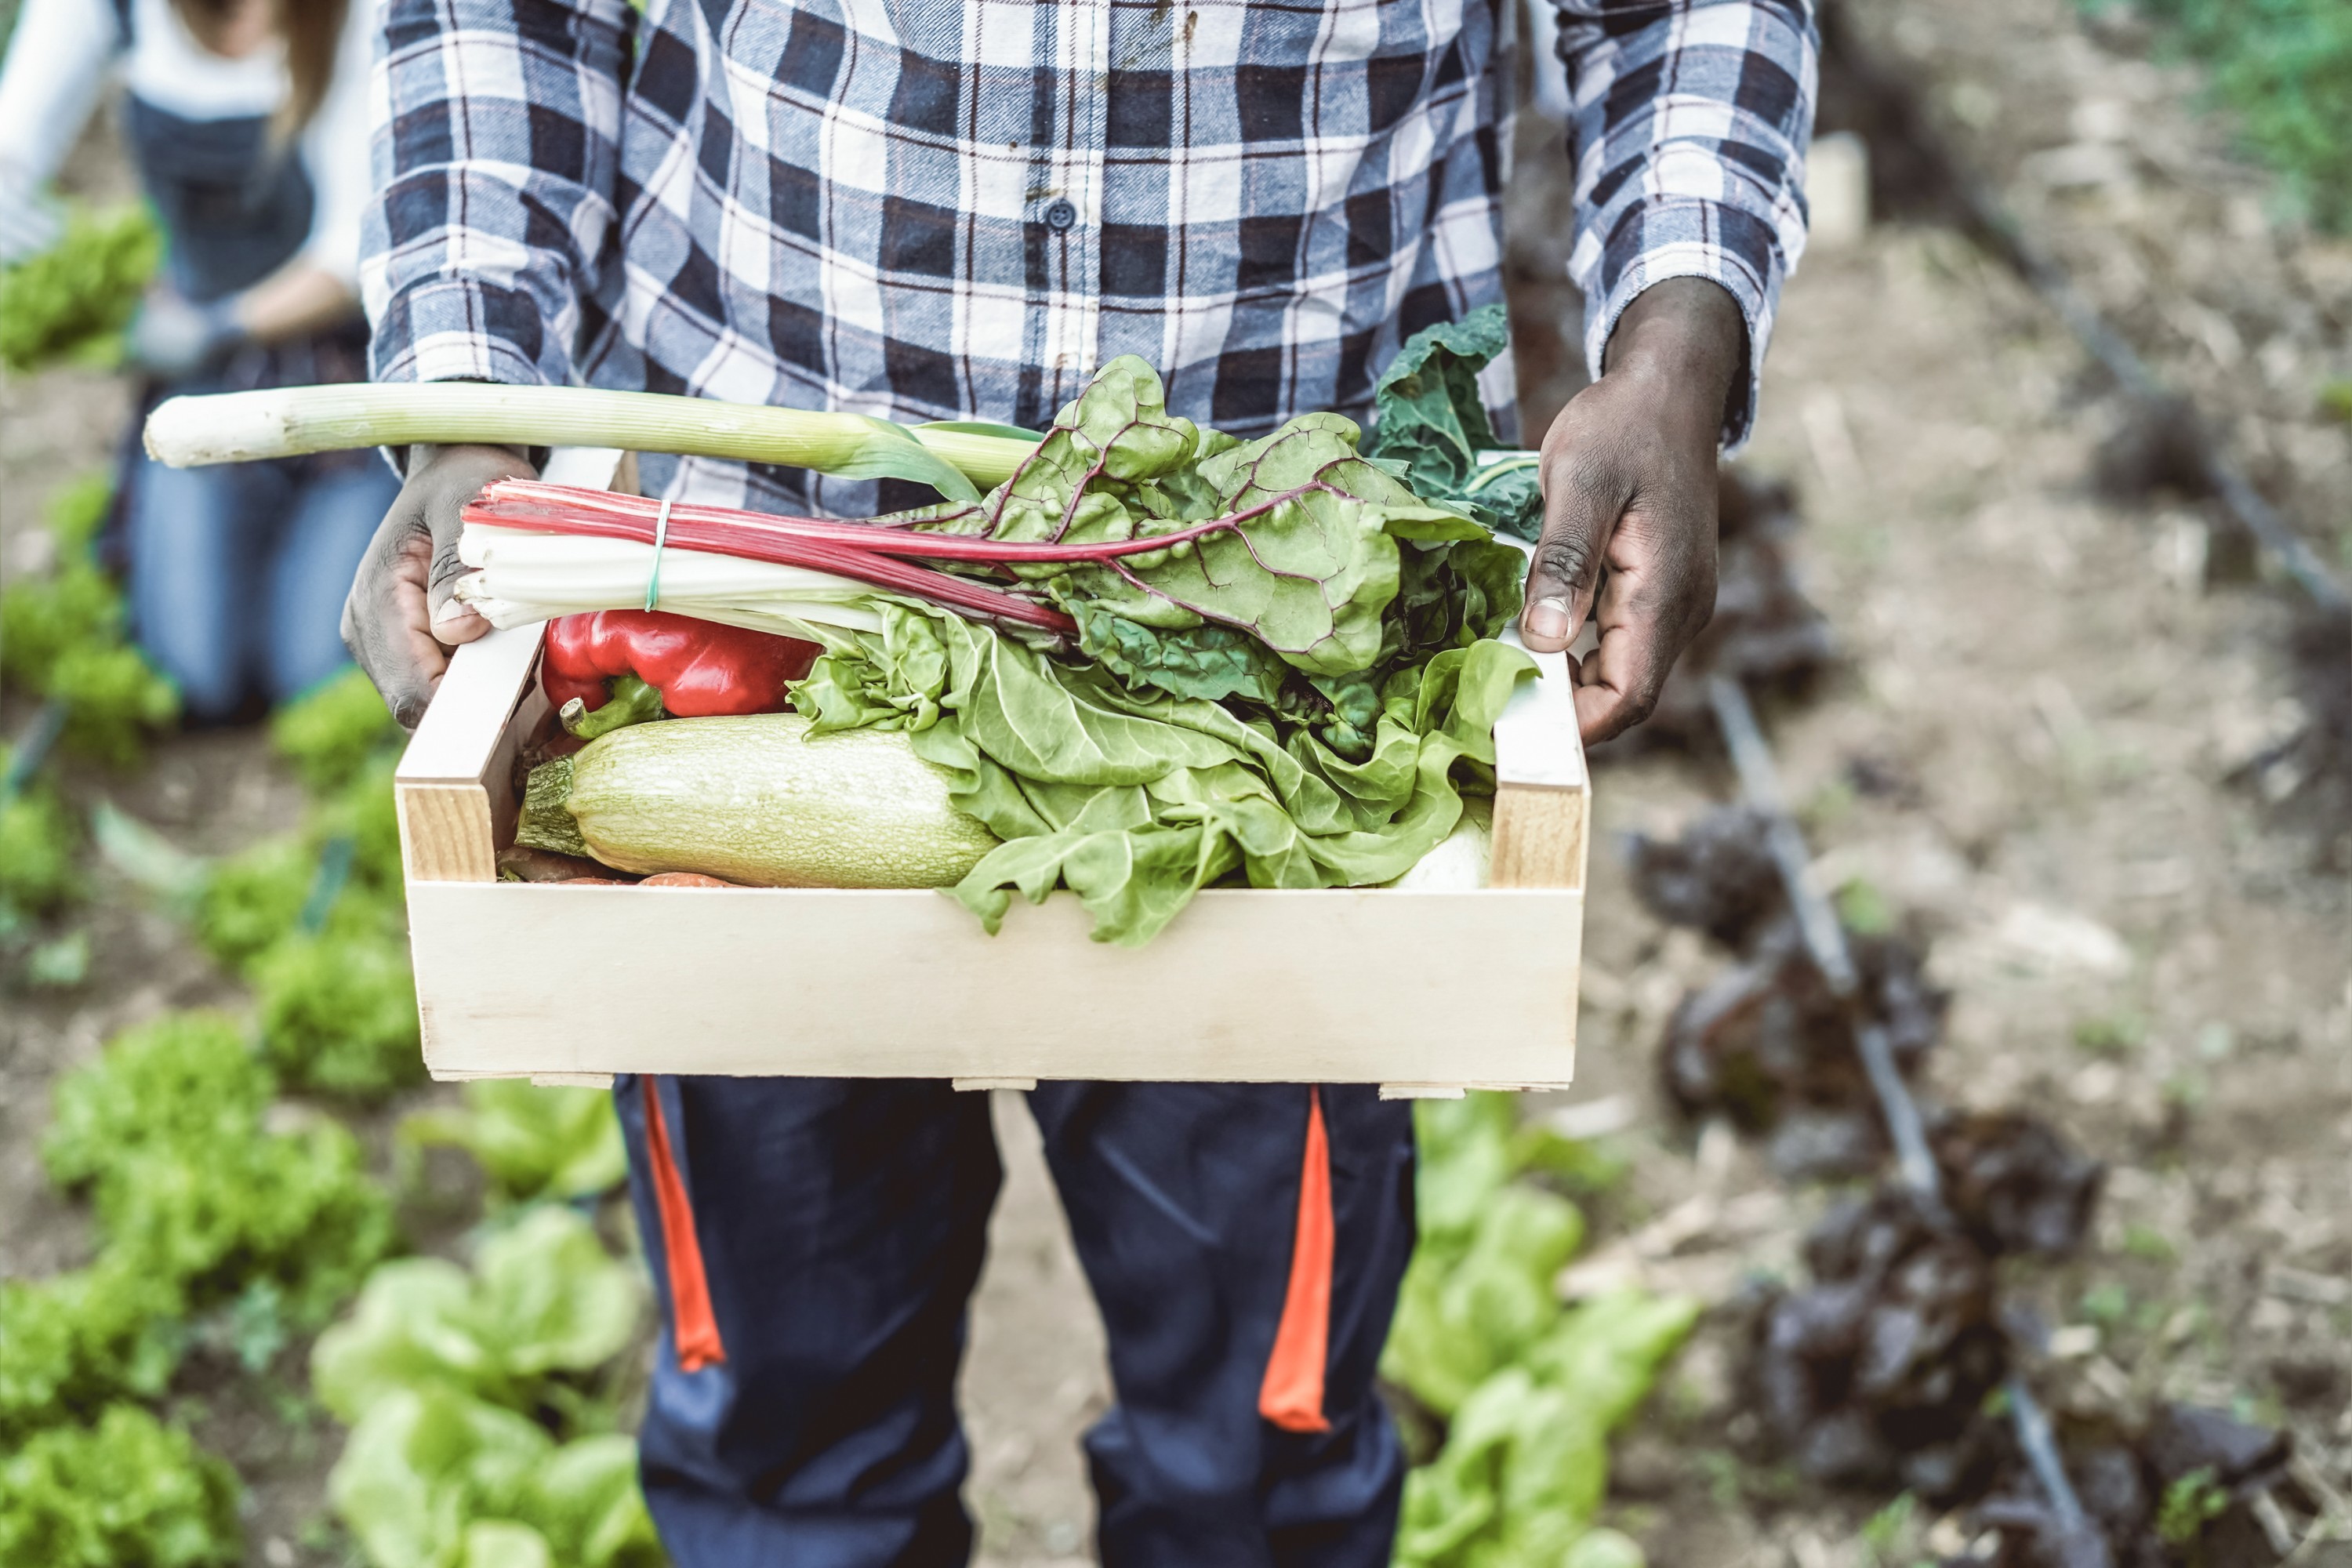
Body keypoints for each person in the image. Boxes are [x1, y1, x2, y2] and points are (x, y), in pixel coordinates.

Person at [343, 0, 1815, 1561]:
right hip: (741, 621)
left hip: (1291, 664)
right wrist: (464, 383)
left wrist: (1676, 342)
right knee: (793, 1452)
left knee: (1258, 1480)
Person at [0, 0, 397, 722]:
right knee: (200, 674)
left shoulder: (357, 16)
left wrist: (217, 323)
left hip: (342, 385)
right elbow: (14, 146)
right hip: (207, 393)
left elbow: (352, 248)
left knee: (312, 670)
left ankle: (333, 514)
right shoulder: (113, 11)